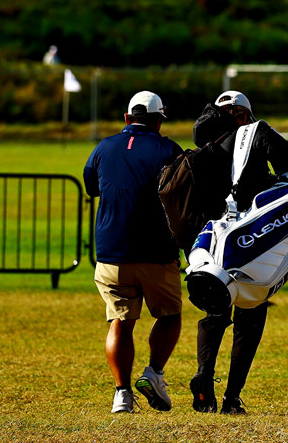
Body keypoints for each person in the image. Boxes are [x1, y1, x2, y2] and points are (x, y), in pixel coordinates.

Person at [188, 90, 288, 415]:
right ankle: (231, 398)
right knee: (250, 317)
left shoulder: (203, 147)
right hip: (251, 239)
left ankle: (204, 374)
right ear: (244, 114)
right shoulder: (256, 133)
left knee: (215, 312)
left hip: (210, 243)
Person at [83, 90, 184, 414]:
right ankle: (154, 373)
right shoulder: (169, 149)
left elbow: (92, 186)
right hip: (157, 250)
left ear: (127, 118)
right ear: (159, 120)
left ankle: (122, 394)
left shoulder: (103, 146)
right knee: (169, 316)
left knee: (119, 321)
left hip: (111, 251)